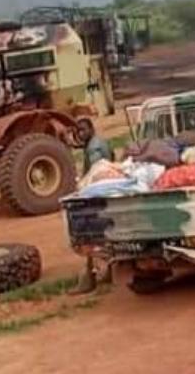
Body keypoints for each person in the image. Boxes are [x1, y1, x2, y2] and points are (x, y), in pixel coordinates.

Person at [72, 117, 113, 294]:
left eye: (83, 130)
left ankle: (89, 279)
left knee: (87, 236)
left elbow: (96, 171)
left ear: (91, 129)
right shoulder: (98, 142)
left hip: (97, 195)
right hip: (106, 193)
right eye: (78, 131)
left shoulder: (94, 148)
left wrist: (83, 187)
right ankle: (106, 273)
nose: (80, 134)